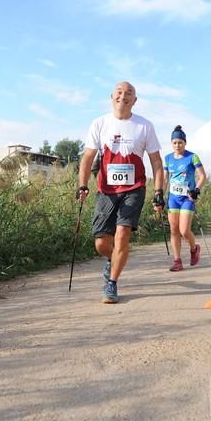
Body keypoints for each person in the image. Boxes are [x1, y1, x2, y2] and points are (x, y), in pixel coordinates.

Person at [76, 81, 165, 304]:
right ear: (111, 97)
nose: (123, 96)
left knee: (122, 234)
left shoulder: (144, 126)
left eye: (129, 93)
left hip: (134, 188)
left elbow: (156, 161)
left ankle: (112, 284)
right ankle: (116, 257)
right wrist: (83, 184)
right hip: (106, 189)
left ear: (134, 100)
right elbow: (87, 157)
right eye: (119, 92)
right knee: (101, 244)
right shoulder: (100, 123)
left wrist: (158, 192)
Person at [163, 125, 207, 271]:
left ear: (185, 143)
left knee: (183, 230)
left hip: (188, 198)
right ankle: (177, 261)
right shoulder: (168, 158)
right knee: (174, 230)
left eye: (180, 142)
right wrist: (159, 195)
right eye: (174, 142)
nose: (177, 145)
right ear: (171, 143)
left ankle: (194, 248)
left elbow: (202, 176)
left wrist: (196, 190)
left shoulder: (192, 157)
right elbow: (165, 180)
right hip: (173, 198)